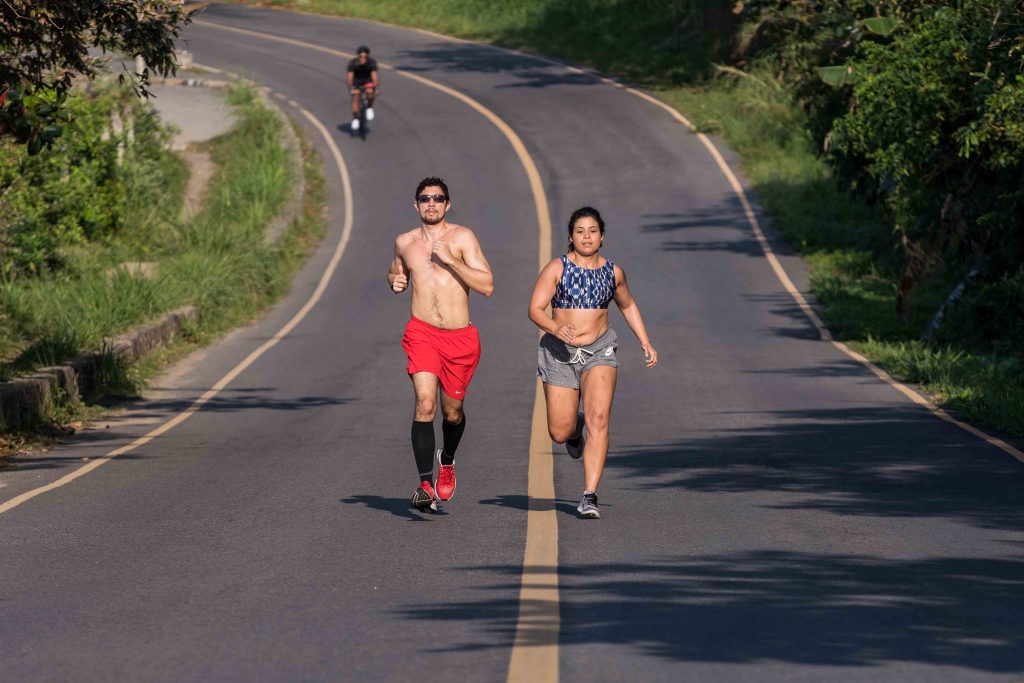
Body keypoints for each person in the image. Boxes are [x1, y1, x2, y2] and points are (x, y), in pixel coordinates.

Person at [528, 206, 657, 519]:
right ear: (571, 237)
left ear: (602, 237)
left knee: (600, 417)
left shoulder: (613, 273)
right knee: (559, 431)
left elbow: (628, 306)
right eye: (580, 231)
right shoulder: (557, 269)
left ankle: (589, 495)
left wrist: (645, 341)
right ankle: (575, 430)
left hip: (600, 350)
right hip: (559, 353)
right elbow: (535, 308)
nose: (587, 237)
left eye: (593, 231)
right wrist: (556, 328)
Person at [388, 177, 494, 512]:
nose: (431, 204)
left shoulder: (462, 238)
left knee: (452, 412)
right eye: (425, 198)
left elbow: (487, 285)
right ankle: (424, 485)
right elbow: (395, 273)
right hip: (422, 334)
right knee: (424, 403)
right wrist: (396, 281)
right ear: (415, 204)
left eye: (438, 198)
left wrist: (450, 260)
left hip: (459, 338)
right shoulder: (404, 241)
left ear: (448, 204)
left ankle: (447, 459)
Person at [346, 45, 379, 132]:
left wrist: (374, 87)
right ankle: (356, 118)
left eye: (365, 56)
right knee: (356, 97)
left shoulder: (371, 63)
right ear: (358, 56)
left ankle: (369, 107)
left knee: (369, 94)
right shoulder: (353, 63)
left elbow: (374, 76)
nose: (363, 58)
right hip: (356, 82)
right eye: (361, 56)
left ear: (368, 56)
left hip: (368, 81)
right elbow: (350, 77)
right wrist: (351, 88)